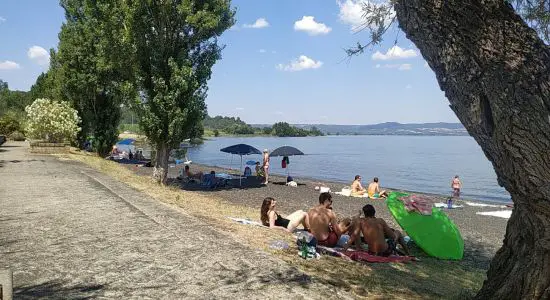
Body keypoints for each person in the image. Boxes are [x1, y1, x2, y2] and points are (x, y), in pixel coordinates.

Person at [344, 204, 410, 256]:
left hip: (372, 252)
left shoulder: (361, 221)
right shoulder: (380, 221)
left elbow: (354, 235)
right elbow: (392, 236)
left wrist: (345, 249)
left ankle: (402, 252)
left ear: (364, 213)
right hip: (385, 252)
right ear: (374, 212)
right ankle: (408, 254)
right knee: (397, 232)